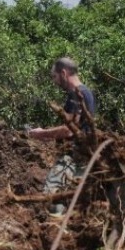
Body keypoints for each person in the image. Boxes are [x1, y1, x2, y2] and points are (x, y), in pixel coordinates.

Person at [26, 57, 97, 216]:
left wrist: (42, 134)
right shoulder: (87, 92)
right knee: (72, 200)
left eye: (54, 76)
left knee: (51, 197)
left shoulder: (76, 94)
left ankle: (52, 226)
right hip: (84, 156)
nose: (54, 81)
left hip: (72, 157)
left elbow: (69, 130)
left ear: (64, 73)